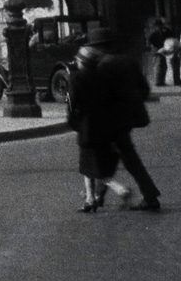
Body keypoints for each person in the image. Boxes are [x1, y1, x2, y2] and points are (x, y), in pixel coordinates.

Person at [88, 27, 162, 210]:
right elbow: (144, 90)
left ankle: (150, 196)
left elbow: (98, 97)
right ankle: (99, 197)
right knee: (117, 156)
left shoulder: (99, 66)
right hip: (128, 118)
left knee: (120, 158)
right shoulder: (129, 61)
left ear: (97, 48)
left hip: (109, 120)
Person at [66, 43, 132, 212]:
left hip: (87, 128)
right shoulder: (104, 77)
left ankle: (120, 190)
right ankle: (90, 199)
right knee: (90, 165)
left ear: (83, 62)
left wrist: (75, 123)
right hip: (106, 128)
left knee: (92, 167)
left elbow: (72, 104)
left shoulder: (76, 78)